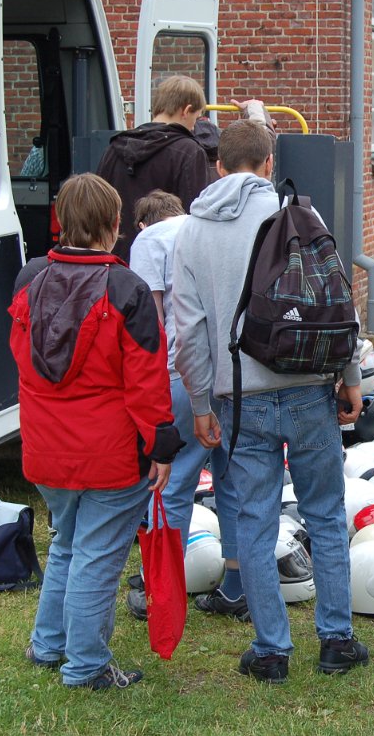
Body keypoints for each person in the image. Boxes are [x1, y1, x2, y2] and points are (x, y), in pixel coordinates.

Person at [172, 101, 368, 684]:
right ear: (266, 162)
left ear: (217, 166)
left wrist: (201, 403)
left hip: (239, 398)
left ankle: (271, 649)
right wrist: (352, 377)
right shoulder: (298, 213)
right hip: (309, 387)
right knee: (327, 516)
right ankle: (336, 639)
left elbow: (188, 330)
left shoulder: (193, 231)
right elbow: (340, 304)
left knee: (254, 522)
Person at [10, 173, 181, 691]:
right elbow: (147, 382)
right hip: (108, 454)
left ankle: (50, 643)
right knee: (96, 556)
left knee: (68, 543)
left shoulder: (29, 280)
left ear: (61, 221)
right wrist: (161, 444)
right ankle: (83, 664)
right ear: (114, 226)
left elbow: (21, 360)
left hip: (46, 448)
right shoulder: (125, 289)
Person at [125, 190, 247, 622]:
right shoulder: (206, 229)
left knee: (171, 486)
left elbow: (149, 320)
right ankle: (237, 587)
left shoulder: (149, 241)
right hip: (234, 373)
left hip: (182, 373)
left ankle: (159, 593)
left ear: (142, 223)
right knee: (231, 482)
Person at [96, 74, 215, 260]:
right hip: (163, 267)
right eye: (196, 117)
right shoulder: (189, 152)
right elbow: (195, 220)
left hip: (114, 263)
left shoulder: (115, 148)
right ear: (186, 110)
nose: (194, 128)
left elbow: (97, 207)